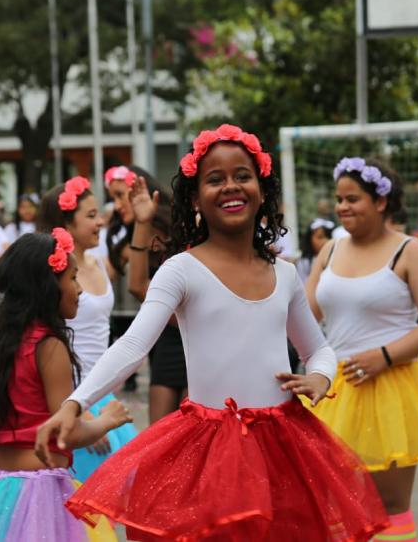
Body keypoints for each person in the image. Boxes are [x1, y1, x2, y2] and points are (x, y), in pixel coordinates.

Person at [36, 125, 388, 542]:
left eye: (242, 175)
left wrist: (320, 377)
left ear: (262, 187)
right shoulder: (181, 270)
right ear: (195, 197)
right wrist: (75, 402)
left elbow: (319, 350)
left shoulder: (285, 274)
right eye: (214, 179)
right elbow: (132, 344)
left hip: (283, 448)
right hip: (208, 449)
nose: (230, 187)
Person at [305, 157, 418, 542]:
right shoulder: (330, 251)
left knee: (388, 505)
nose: (342, 207)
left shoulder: (409, 251)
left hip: (390, 388)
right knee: (333, 501)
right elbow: (301, 316)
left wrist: (384, 355)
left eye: (353, 199)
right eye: (339, 199)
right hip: (334, 389)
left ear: (380, 201)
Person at [0, 229, 127, 540]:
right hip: (42, 491)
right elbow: (66, 435)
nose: (79, 289)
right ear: (47, 285)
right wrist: (105, 422)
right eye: (73, 278)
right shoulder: (49, 346)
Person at [37, 176, 138, 481]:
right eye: (91, 216)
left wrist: (141, 220)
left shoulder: (97, 262)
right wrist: (79, 411)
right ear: (66, 225)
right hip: (69, 396)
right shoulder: (54, 277)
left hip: (99, 392)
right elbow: (47, 345)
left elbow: (136, 256)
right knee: (75, 501)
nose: (100, 222)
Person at [106, 165, 189, 423]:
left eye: (121, 195)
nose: (118, 204)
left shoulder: (183, 225)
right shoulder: (132, 239)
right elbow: (136, 286)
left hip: (200, 336)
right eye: (114, 198)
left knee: (196, 429)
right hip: (169, 337)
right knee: (159, 435)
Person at [296, 218, 333, 283]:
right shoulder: (304, 262)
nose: (325, 241)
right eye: (320, 237)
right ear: (310, 239)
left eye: (328, 237)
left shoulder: (335, 259)